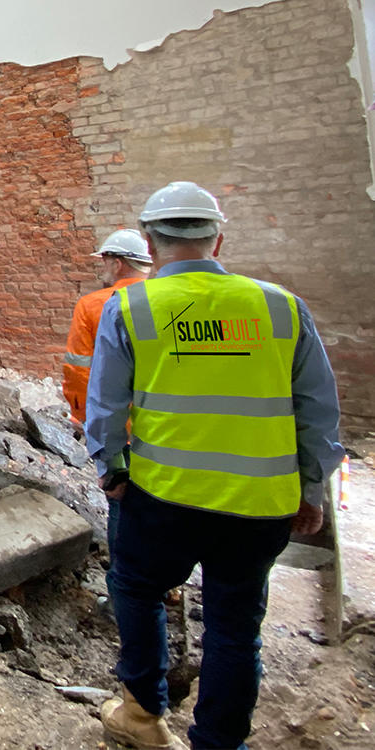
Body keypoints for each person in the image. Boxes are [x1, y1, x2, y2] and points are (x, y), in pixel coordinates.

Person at [85, 181, 345, 750]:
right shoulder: (280, 306)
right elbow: (320, 415)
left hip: (162, 497)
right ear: (218, 240)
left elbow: (105, 407)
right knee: (234, 627)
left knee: (137, 588)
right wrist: (313, 492)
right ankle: (219, 742)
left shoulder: (130, 306)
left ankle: (142, 714)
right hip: (261, 505)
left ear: (150, 245)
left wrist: (111, 469)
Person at [63, 229, 152, 430]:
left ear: (117, 264)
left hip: (113, 422)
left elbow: (78, 368)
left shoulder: (92, 305)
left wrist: (83, 413)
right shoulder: (170, 302)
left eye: (105, 262)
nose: (103, 269)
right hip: (159, 423)